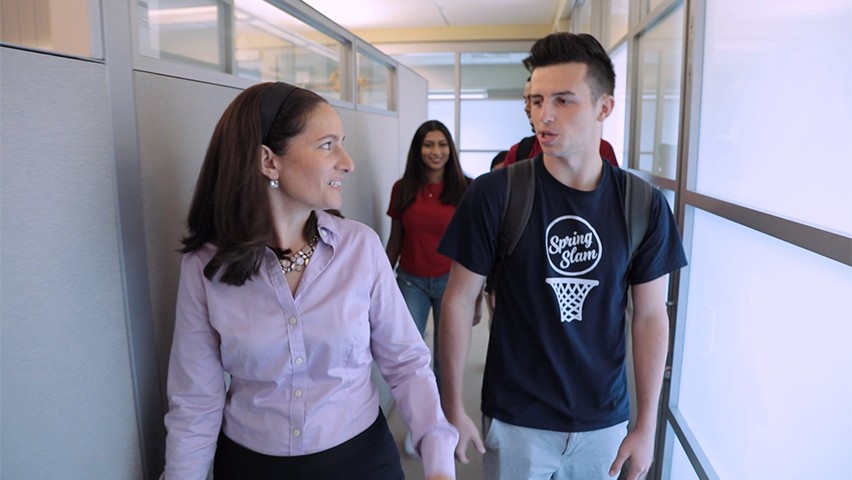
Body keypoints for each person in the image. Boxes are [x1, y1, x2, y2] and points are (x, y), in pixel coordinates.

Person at [161, 82, 458, 480]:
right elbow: (195, 402)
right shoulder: (206, 267)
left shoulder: (360, 247)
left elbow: (406, 363)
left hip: (360, 461)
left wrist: (438, 464)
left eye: (343, 143)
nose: (348, 162)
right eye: (327, 145)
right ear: (269, 161)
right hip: (251, 466)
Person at [437, 33, 687, 480]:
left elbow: (650, 315)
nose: (543, 115)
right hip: (517, 419)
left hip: (604, 422)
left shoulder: (642, 204)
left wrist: (646, 425)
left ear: (603, 108)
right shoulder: (496, 193)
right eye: (535, 100)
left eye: (563, 101)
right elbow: (458, 299)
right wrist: (451, 406)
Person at [385, 120, 475, 455]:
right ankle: (419, 424)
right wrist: (379, 279)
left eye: (441, 145)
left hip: (454, 285)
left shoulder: (466, 188)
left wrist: (476, 297)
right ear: (418, 150)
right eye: (428, 145)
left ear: (450, 149)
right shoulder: (403, 188)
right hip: (411, 281)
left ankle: (444, 422)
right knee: (411, 358)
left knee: (445, 360)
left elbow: (473, 246)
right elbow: (396, 239)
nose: (435, 152)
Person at [500, 77, 620, 168]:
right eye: (534, 101)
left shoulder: (600, 149)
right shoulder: (520, 151)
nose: (527, 108)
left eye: (562, 101)